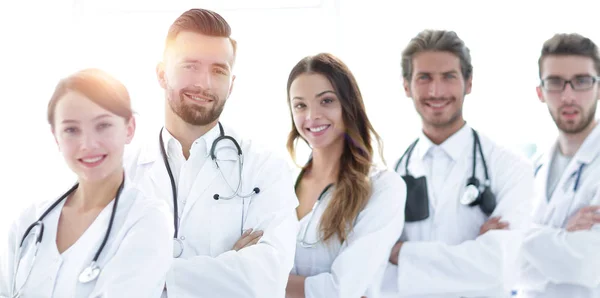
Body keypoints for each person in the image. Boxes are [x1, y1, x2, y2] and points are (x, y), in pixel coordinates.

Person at [122, 8, 299, 298]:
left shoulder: (266, 167)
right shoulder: (121, 172)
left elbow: (265, 280)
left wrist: (149, 273)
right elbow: (99, 273)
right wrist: (227, 267)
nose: (204, 83)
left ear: (231, 84)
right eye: (190, 66)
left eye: (218, 70)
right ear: (161, 73)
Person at [380, 29, 535, 298]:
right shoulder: (387, 176)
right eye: (424, 77)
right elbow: (375, 273)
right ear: (406, 86)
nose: (436, 91)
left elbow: (499, 268)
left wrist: (400, 253)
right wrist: (473, 255)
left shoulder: (510, 168)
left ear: (469, 82)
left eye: (449, 77)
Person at [0, 68, 173, 298]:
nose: (88, 144)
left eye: (102, 126)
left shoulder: (147, 220)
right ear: (56, 138)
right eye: (71, 130)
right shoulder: (29, 222)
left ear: (129, 129)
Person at [284, 53, 406, 298]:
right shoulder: (280, 184)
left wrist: (265, 282)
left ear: (348, 105)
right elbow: (245, 268)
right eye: (300, 105)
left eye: (326, 101)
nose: (312, 116)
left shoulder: (383, 187)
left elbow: (341, 290)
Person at [515, 33, 600, 298]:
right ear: (540, 92)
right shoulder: (532, 168)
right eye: (555, 83)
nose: (568, 96)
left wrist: (521, 234)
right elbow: (502, 264)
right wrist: (561, 238)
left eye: (582, 82)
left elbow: (588, 265)